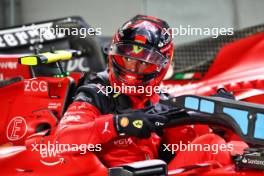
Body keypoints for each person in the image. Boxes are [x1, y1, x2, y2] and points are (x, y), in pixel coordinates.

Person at [54, 15, 232, 175]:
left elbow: (188, 146)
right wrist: (120, 124)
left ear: (162, 65)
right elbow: (63, 139)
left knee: (214, 144)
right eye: (128, 58)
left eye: (143, 63)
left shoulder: (162, 101)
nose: (132, 69)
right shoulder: (96, 92)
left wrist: (218, 122)